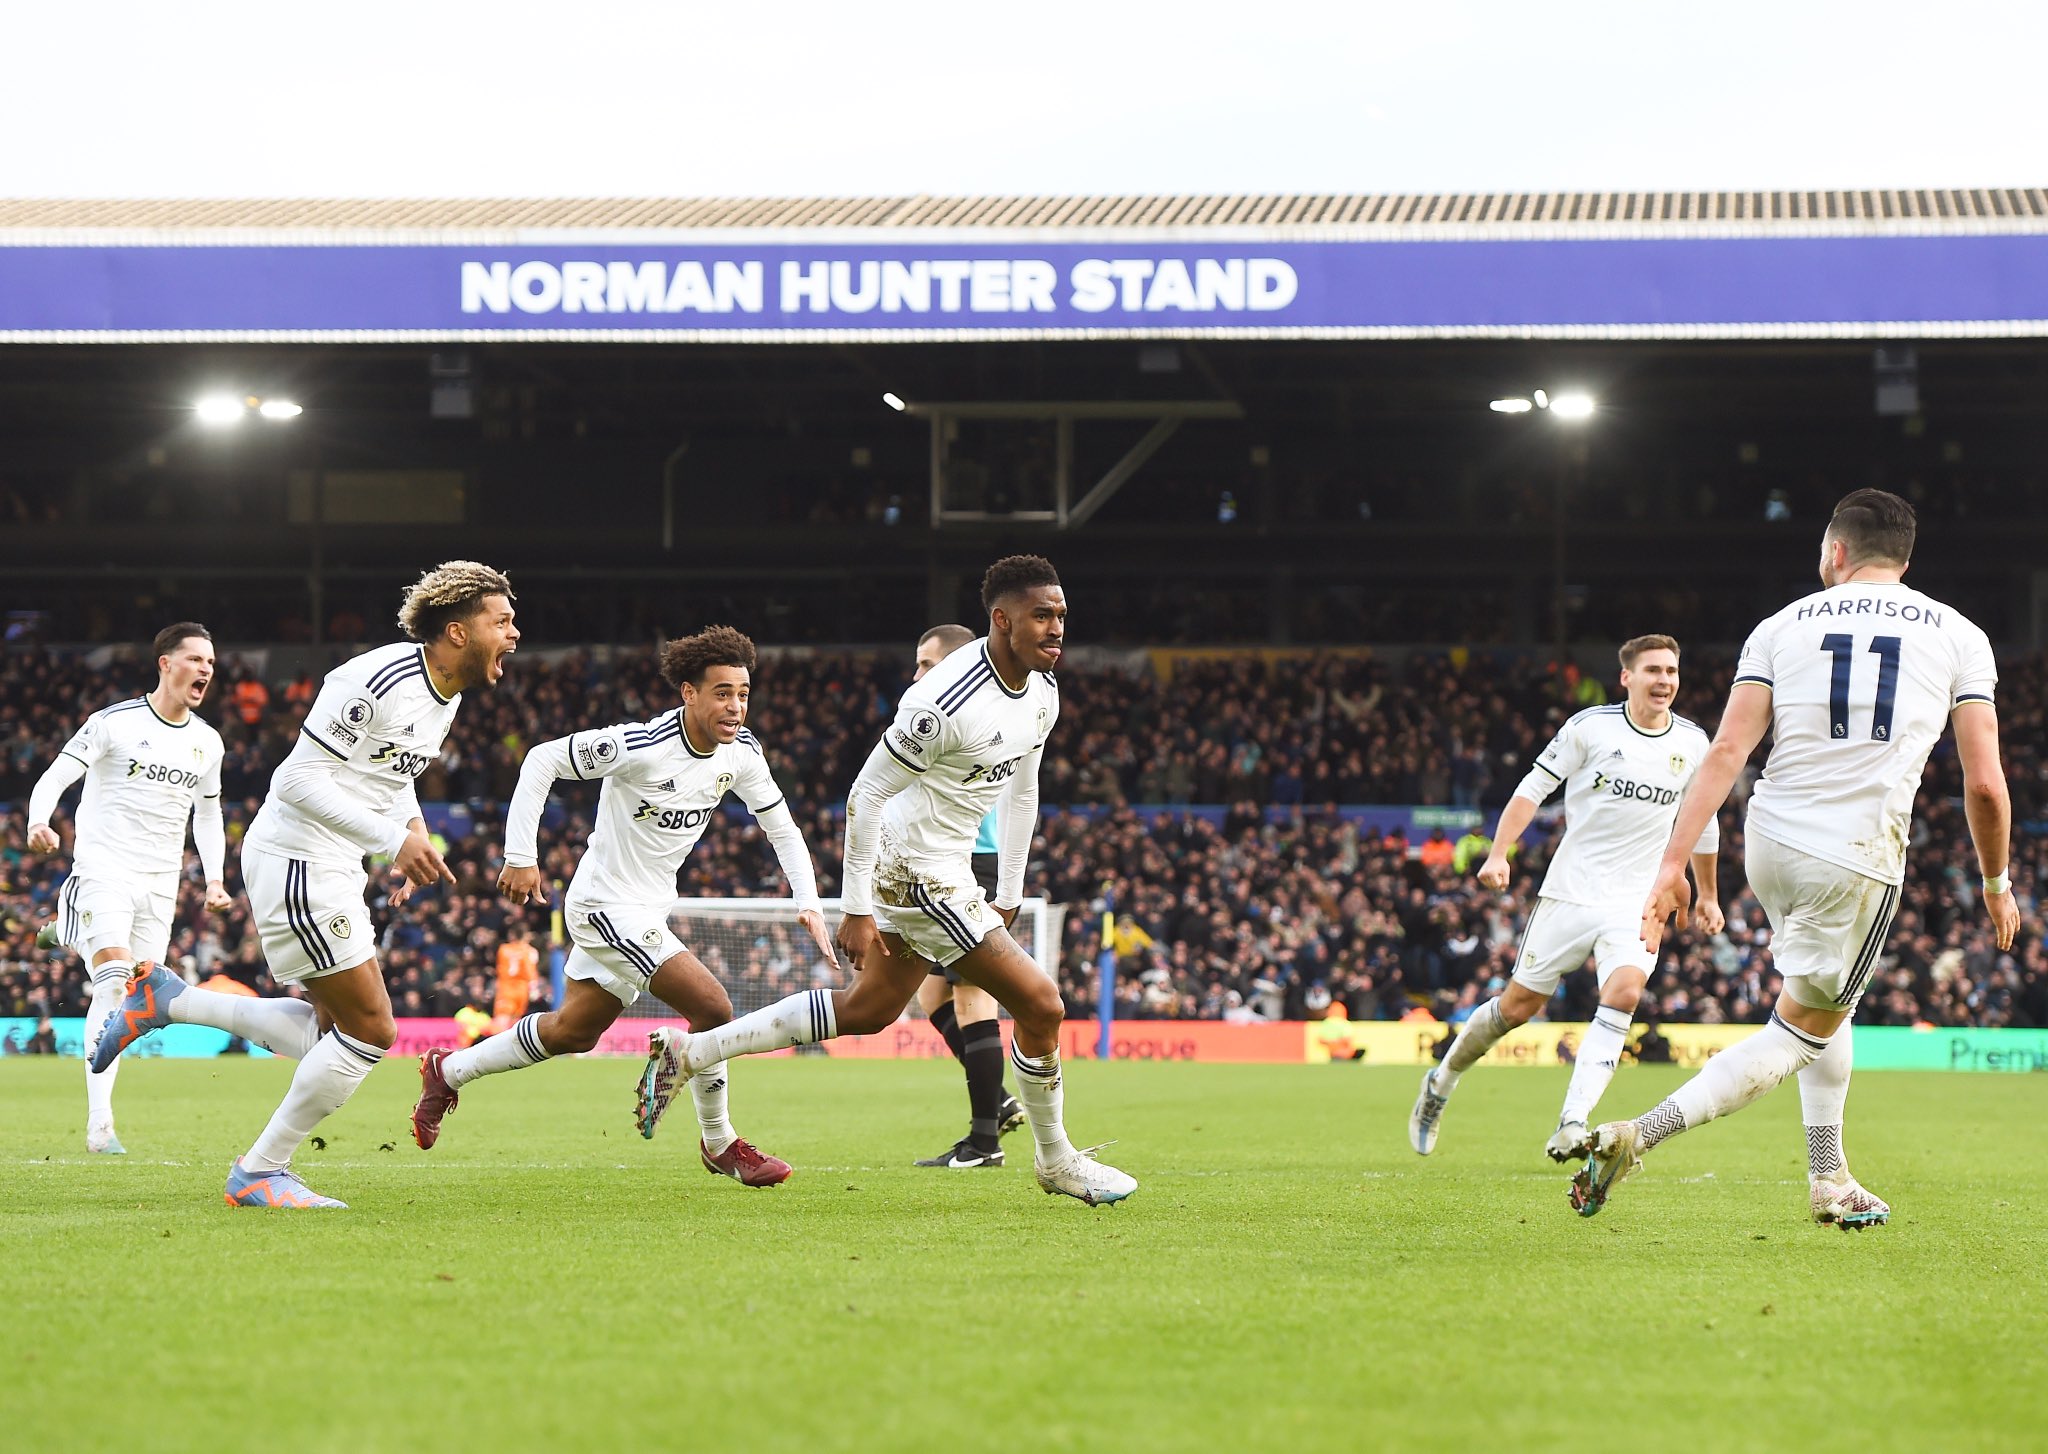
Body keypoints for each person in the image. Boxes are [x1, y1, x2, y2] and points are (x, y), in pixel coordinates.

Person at [1575, 490, 2016, 1226]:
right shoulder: (1961, 635)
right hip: (1856, 858)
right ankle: (1636, 1134)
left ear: (1836, 551)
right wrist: (1997, 883)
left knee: (1826, 1006)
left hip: (1770, 842)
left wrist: (1671, 863)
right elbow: (1985, 785)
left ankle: (1829, 1177)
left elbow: (1725, 751)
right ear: (1903, 558)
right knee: (1800, 1028)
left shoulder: (1781, 625)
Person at [638, 555, 1136, 1205]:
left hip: (948, 868)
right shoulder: (943, 700)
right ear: (1002, 619)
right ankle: (1055, 1159)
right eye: (1043, 615)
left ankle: (692, 1052)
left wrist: (1010, 892)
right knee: (1042, 1005)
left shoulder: (1042, 692)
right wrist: (859, 906)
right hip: (913, 870)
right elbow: (866, 793)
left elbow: (1024, 790)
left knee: (868, 1011)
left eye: (1062, 616)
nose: (1056, 628)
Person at [92, 562, 520, 1209]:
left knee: (332, 1038)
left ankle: (169, 1001)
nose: (514, 633)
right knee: (372, 1029)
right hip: (297, 855)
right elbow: (293, 780)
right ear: (458, 631)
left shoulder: (446, 696)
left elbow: (391, 769)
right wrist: (390, 840)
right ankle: (260, 1169)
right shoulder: (371, 680)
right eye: (503, 620)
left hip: (332, 861)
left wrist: (412, 833)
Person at [409, 626, 834, 1188]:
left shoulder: (743, 754)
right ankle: (720, 1143)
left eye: (744, 693)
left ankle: (448, 1070)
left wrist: (807, 901)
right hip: (603, 905)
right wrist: (520, 856)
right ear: (689, 693)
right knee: (713, 1008)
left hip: (647, 910)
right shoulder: (638, 746)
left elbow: (781, 827)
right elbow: (540, 761)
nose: (736, 706)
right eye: (722, 693)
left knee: (572, 1032)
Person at [1410, 635, 1719, 1161]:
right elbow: (1531, 788)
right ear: (1627, 677)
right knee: (1518, 1007)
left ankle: (1572, 1123)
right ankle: (1440, 1083)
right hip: (1571, 893)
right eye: (1653, 670)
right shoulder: (1589, 728)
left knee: (1624, 995)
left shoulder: (1692, 742)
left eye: (1671, 670)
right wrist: (1499, 853)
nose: (1664, 680)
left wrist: (1709, 894)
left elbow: (1702, 821)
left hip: (1637, 901)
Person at [25, 622, 230, 1154]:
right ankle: (101, 1127)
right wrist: (38, 820)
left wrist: (214, 881)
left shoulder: (208, 742)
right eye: (195, 658)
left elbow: (208, 815)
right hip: (104, 868)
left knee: (138, 999)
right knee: (113, 981)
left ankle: (67, 926)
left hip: (160, 883)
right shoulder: (114, 722)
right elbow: (56, 774)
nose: (206, 668)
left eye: (210, 661)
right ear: (165, 663)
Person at [908, 623, 1024, 1169]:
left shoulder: (955, 718)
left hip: (965, 861)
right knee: (931, 997)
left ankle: (984, 1144)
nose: (917, 674)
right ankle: (996, 1101)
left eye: (927, 664)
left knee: (972, 997)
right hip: (945, 862)